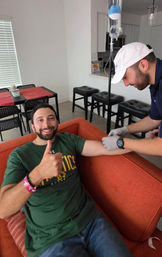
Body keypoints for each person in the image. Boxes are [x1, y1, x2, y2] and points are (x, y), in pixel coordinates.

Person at [0, 103, 132, 257]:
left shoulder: (68, 140)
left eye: (51, 118)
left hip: (90, 221)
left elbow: (104, 148)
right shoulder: (20, 155)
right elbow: (3, 210)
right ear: (32, 127)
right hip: (51, 238)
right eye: (40, 120)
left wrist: (144, 144)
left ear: (57, 122)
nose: (47, 124)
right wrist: (38, 175)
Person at [102, 42, 162, 156]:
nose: (126, 83)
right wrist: (125, 129)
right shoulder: (154, 84)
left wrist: (121, 142)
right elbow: (154, 119)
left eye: (125, 76)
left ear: (143, 65)